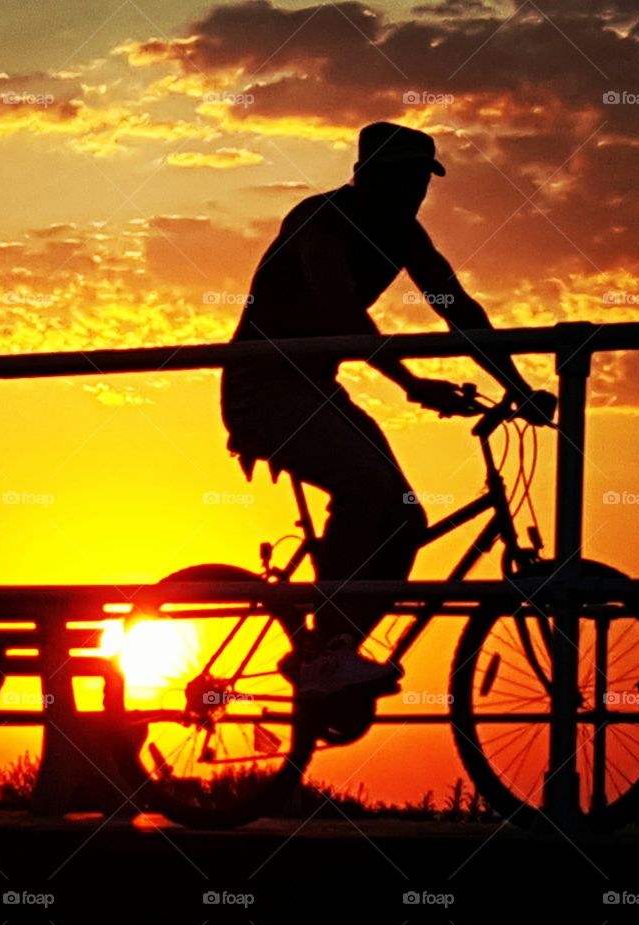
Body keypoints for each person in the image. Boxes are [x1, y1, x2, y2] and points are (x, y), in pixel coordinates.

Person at [221, 121, 556, 699]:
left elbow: (458, 309)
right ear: (366, 176)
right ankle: (325, 653)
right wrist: (411, 383)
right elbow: (343, 314)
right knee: (368, 490)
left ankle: (334, 648)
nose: (415, 193)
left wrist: (519, 387)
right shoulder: (322, 220)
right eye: (404, 180)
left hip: (315, 389)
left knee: (405, 519)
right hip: (263, 389)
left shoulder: (405, 235)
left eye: (423, 182)